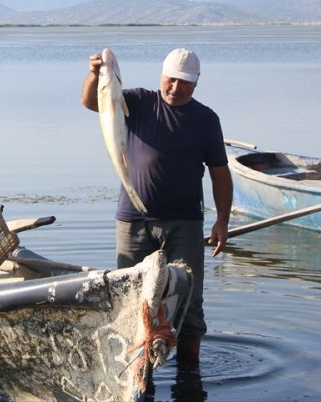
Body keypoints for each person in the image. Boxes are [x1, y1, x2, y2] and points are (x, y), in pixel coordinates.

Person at [80, 47, 232, 366]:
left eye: (185, 83)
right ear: (161, 75)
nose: (175, 88)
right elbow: (92, 102)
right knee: (128, 297)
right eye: (171, 80)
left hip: (185, 224)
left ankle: (189, 374)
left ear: (196, 83)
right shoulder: (137, 101)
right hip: (133, 221)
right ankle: (133, 370)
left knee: (190, 302)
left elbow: (220, 174)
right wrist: (95, 75)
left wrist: (222, 221)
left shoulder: (206, 120)